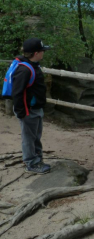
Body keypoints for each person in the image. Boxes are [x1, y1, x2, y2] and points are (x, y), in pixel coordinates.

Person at [12, 38, 51, 174]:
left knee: (36, 136)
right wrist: (21, 112)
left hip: (36, 109)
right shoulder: (24, 70)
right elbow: (17, 92)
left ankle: (37, 159)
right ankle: (31, 163)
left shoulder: (34, 65)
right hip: (28, 111)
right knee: (29, 138)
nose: (43, 53)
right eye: (42, 51)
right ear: (36, 53)